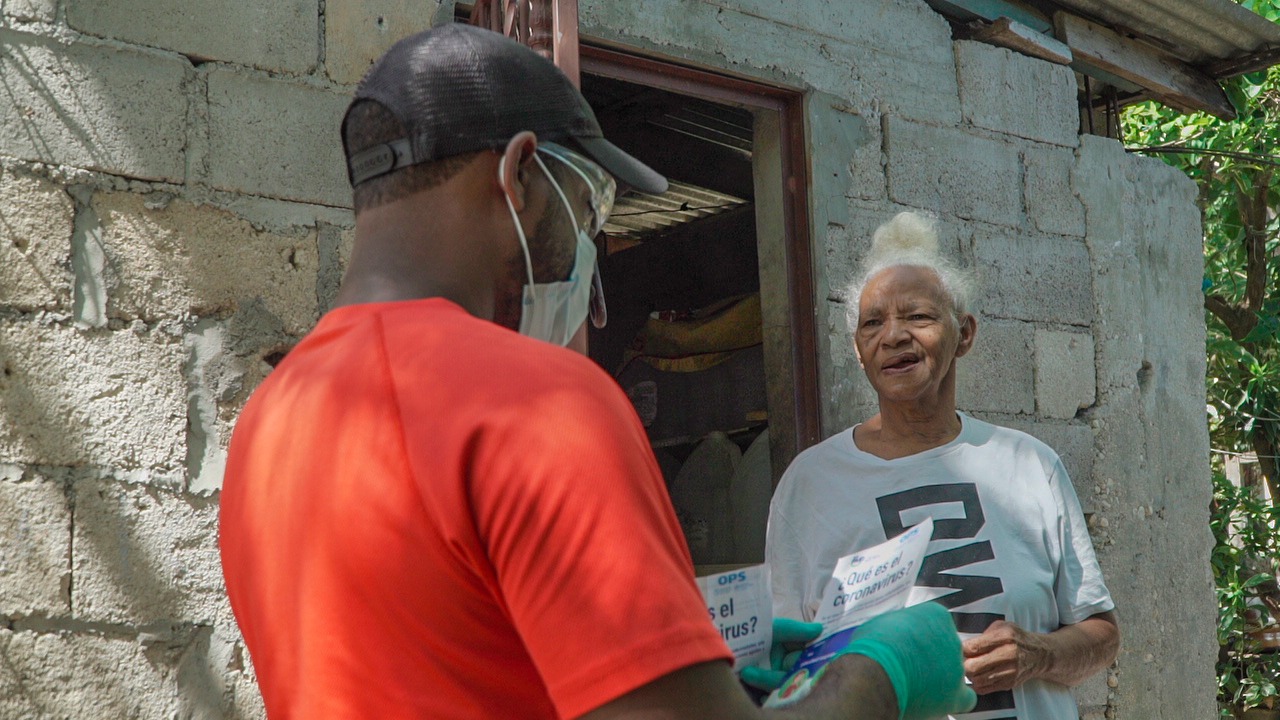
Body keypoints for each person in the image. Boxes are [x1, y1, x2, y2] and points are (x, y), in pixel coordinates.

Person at [218, 23, 976, 720]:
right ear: (517, 174)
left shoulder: (269, 423)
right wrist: (883, 670)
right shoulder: (537, 402)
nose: (591, 271)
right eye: (586, 208)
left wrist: (695, 674)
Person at [765, 212, 1120, 719]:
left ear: (965, 333)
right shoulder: (810, 484)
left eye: (918, 317)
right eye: (873, 323)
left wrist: (1039, 654)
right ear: (858, 351)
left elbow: (1101, 634)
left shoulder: (1027, 465)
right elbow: (786, 664)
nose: (893, 336)